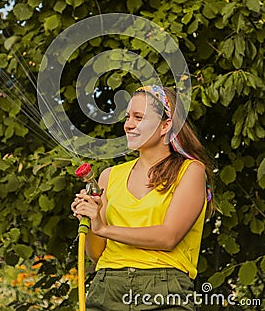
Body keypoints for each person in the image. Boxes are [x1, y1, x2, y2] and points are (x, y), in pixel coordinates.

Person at [71, 85, 214, 310]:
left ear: (165, 125)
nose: (128, 125)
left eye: (139, 117)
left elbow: (168, 237)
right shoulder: (109, 176)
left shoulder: (191, 171)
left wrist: (104, 229)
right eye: (128, 117)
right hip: (107, 287)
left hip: (164, 291)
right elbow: (97, 253)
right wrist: (90, 218)